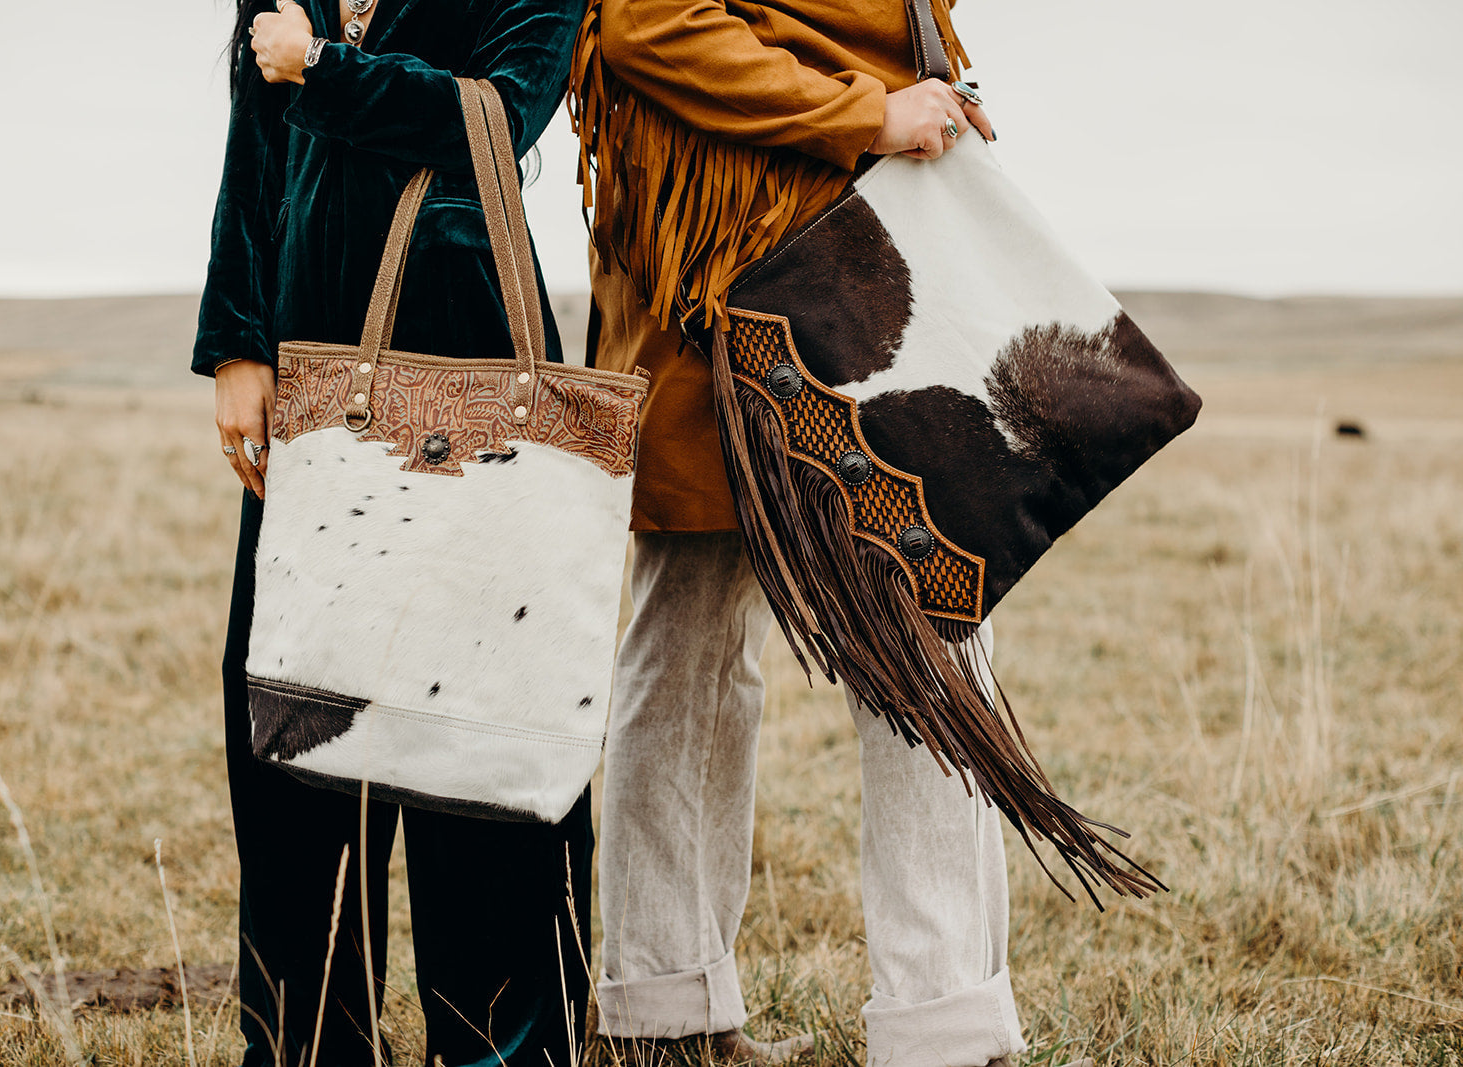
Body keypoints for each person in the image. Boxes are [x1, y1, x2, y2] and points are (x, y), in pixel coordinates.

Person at [574, 2, 1090, 1065]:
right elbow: (645, 25)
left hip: (863, 272)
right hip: (716, 276)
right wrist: (869, 112)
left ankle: (938, 1025)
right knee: (694, 640)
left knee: (925, 641)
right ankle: (668, 1013)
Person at [192, 2, 587, 1064]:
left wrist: (324, 68)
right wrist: (235, 342)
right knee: (296, 717)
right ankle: (307, 1041)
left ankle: (500, 1043)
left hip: (471, 363)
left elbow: (502, 116)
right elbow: (253, 140)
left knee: (480, 727)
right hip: (308, 354)